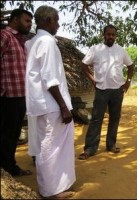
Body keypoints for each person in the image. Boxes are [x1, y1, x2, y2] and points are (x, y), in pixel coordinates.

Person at [25, 6, 75, 198]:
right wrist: (64, 106)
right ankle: (51, 191)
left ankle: (56, 186)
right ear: (47, 21)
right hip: (52, 104)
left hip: (42, 103)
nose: (59, 24)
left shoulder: (33, 41)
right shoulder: (46, 41)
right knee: (51, 148)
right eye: (56, 19)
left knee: (48, 146)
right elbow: (49, 78)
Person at [78, 24, 134, 160]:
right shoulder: (95, 49)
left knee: (115, 118)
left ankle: (111, 145)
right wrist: (93, 80)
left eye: (113, 34)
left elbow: (131, 65)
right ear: (103, 35)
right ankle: (90, 149)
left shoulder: (121, 50)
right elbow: (84, 65)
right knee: (96, 119)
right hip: (101, 89)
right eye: (108, 34)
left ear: (115, 36)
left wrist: (128, 81)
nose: (111, 37)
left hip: (117, 90)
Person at [0, 8, 33, 176]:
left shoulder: (19, 40)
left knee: (13, 136)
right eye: (26, 21)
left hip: (20, 95)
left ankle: (10, 168)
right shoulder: (5, 36)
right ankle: (7, 171)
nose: (30, 25)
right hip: (8, 96)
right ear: (14, 20)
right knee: (6, 136)